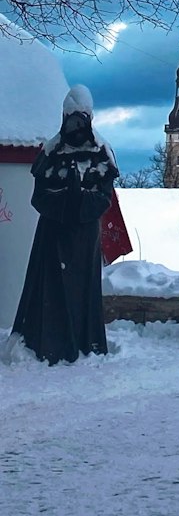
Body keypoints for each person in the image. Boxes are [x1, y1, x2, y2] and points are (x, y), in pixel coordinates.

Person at [11, 84, 118, 365]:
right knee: (49, 290)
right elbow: (40, 196)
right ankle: (46, 343)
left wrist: (79, 203)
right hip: (53, 235)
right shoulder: (51, 151)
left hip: (84, 237)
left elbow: (103, 197)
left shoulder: (101, 152)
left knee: (83, 292)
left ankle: (85, 343)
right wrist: (66, 205)